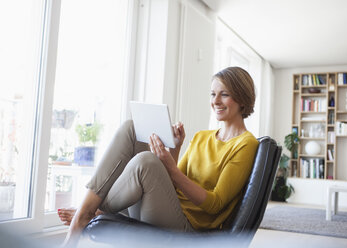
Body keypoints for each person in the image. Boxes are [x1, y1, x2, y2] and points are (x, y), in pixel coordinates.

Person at [59, 66, 259, 247]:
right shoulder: (202, 137)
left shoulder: (246, 144)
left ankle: (86, 214)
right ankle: (87, 212)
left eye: (224, 95)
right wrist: (175, 149)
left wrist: (168, 165)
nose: (215, 101)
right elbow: (173, 184)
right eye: (213, 94)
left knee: (146, 162)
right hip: (165, 209)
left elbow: (215, 204)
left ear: (242, 99)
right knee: (132, 128)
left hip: (189, 228)